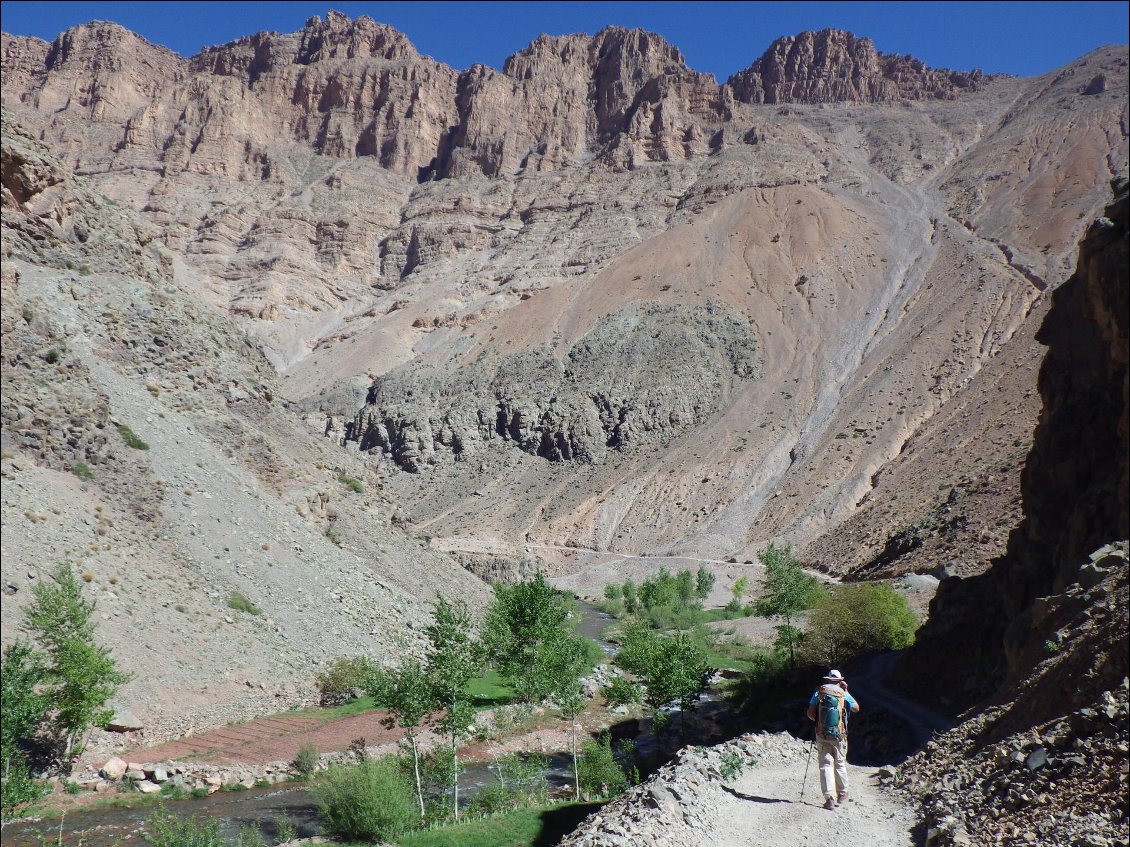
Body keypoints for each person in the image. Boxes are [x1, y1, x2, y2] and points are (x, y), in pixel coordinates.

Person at [806, 669, 860, 810]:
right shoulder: (843, 694)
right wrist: (846, 691)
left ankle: (829, 798)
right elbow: (856, 708)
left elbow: (810, 713)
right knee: (840, 763)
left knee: (825, 765)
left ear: (828, 680)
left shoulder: (819, 693)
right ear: (840, 680)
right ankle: (842, 795)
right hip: (839, 735)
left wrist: (819, 723)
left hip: (822, 734)